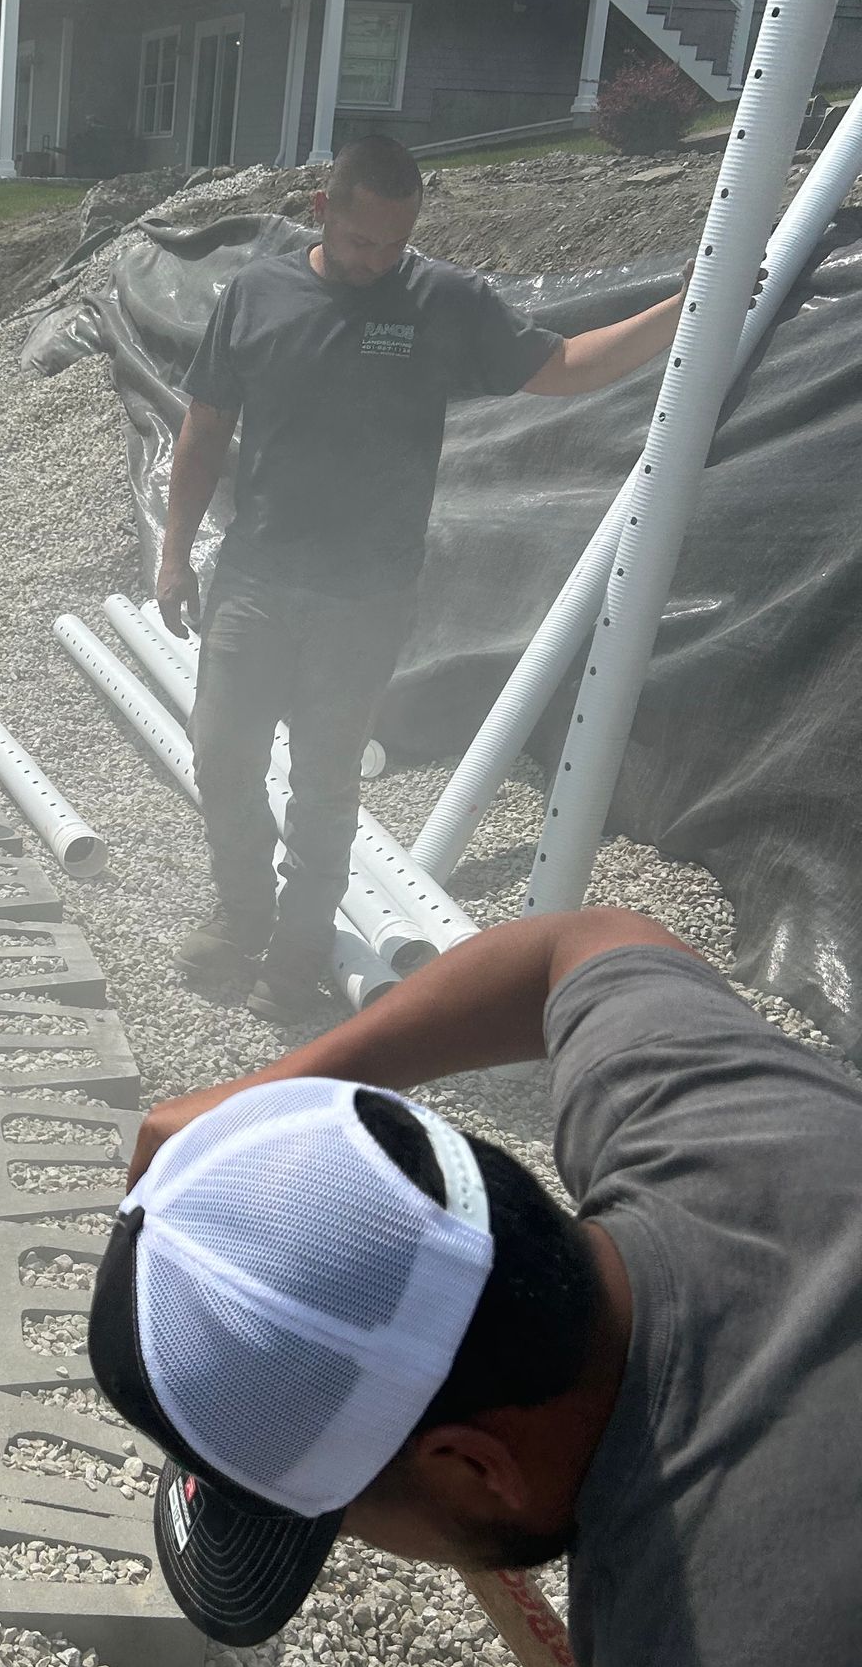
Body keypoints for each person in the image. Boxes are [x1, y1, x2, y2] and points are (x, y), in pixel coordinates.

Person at [92, 906, 861, 1667]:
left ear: (472, 1466)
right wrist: (278, 1090)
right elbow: (579, 942)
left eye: (337, 1520)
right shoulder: (713, 1115)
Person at [158, 134, 687, 1023]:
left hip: (367, 596)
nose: (376, 261)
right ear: (323, 211)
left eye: (394, 245)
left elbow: (560, 368)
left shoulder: (442, 301)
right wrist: (175, 551)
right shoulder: (257, 293)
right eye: (363, 242)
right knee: (223, 757)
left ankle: (295, 956)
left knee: (325, 784)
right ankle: (241, 911)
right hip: (258, 574)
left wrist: (684, 308)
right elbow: (204, 427)